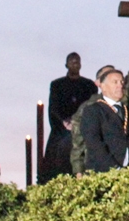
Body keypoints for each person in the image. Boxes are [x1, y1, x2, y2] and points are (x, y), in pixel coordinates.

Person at [71, 22, 129, 175]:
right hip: (103, 171)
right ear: (101, 84)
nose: (120, 85)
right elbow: (85, 141)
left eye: (121, 82)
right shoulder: (91, 108)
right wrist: (78, 170)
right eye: (114, 81)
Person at [42, 51, 98, 180]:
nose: (75, 64)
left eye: (77, 62)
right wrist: (64, 122)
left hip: (84, 127)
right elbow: (53, 108)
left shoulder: (89, 85)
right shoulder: (57, 85)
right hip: (62, 129)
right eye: (72, 62)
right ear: (66, 65)